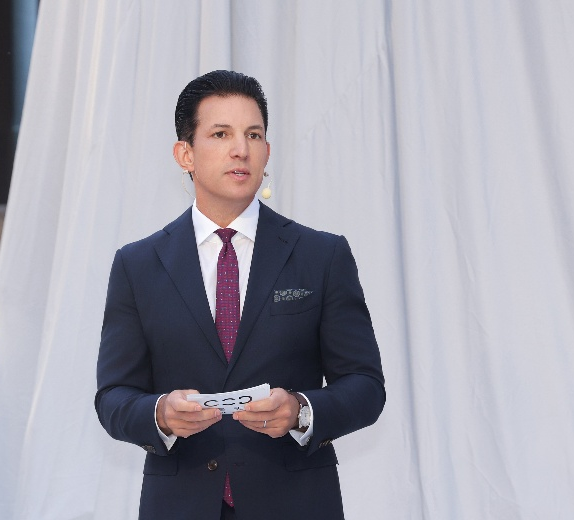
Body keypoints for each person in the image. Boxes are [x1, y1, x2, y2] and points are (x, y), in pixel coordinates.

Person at [95, 70, 385, 520]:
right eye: (221, 134)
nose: (241, 149)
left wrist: (302, 410)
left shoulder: (322, 255)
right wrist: (161, 414)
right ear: (185, 154)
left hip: (296, 505)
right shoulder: (138, 265)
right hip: (180, 505)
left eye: (253, 134)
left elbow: (365, 386)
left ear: (267, 151)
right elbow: (113, 397)